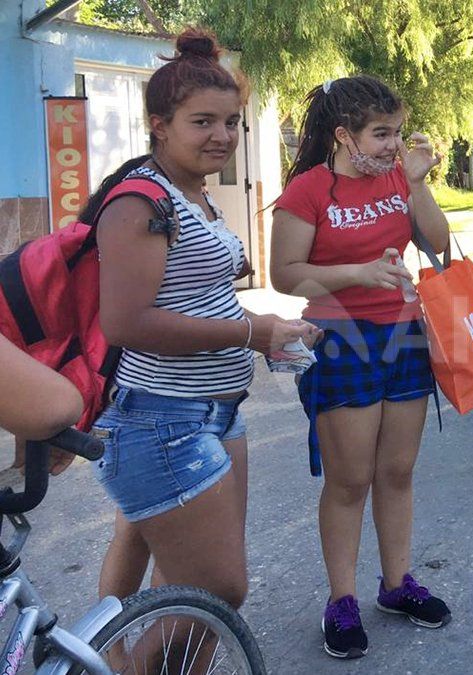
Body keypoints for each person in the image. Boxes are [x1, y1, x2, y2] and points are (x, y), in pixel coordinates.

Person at [92, 27, 318, 618]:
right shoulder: (141, 202)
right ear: (159, 125)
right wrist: (252, 334)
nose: (222, 136)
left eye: (231, 122)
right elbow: (126, 322)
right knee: (218, 594)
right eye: (202, 122)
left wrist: (270, 328)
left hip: (217, 412)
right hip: (163, 419)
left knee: (174, 578)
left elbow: (198, 301)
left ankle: (106, 658)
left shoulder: (196, 195)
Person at [271, 75, 453, 659]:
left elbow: (439, 241)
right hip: (341, 337)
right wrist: (357, 274)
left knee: (397, 471)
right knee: (350, 480)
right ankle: (341, 599)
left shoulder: (401, 176)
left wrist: (418, 183)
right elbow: (285, 275)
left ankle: (397, 585)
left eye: (398, 134)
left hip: (403, 335)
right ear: (344, 135)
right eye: (381, 135)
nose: (393, 146)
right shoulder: (308, 190)